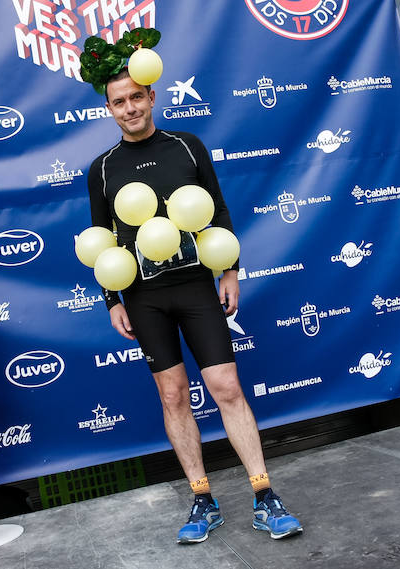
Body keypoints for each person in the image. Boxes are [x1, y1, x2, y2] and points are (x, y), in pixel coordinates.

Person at [86, 68, 303, 543]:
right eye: (119, 102)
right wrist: (111, 302)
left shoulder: (186, 146)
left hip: (196, 287)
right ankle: (202, 498)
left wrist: (231, 269)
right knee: (172, 396)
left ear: (151, 96)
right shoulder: (101, 169)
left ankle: (265, 494)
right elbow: (102, 241)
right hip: (143, 297)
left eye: (137, 98)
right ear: (109, 109)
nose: (130, 108)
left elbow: (218, 209)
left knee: (226, 386)